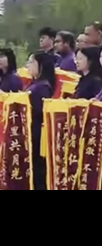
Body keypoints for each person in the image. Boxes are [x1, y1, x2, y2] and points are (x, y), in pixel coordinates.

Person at [26, 51, 56, 189]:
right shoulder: (35, 84)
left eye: (31, 62)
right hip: (32, 130)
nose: (28, 65)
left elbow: (39, 110)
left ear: (41, 65)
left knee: (38, 168)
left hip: (37, 131)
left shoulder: (42, 87)